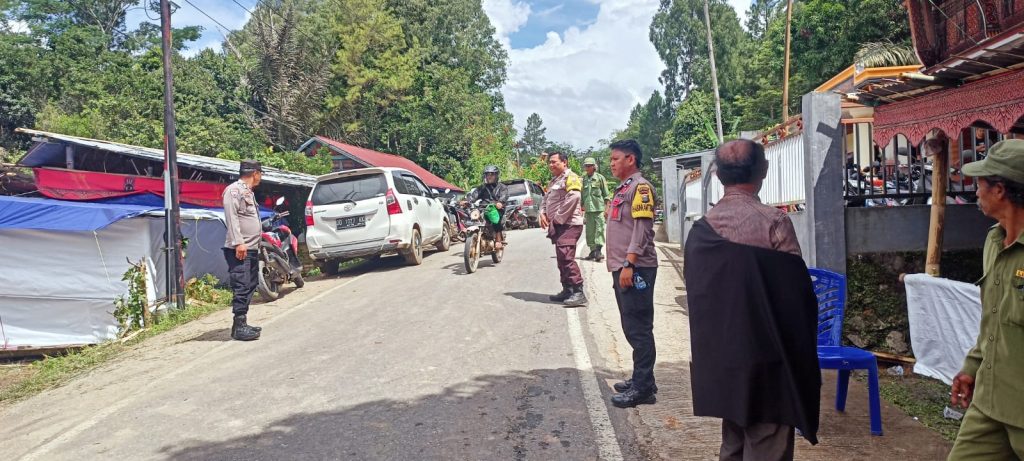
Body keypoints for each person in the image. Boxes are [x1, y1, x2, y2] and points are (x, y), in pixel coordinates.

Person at [684, 139, 820, 460]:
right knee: (767, 440)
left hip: (722, 358)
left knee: (733, 438)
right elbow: (796, 297)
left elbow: (700, 294)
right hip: (767, 359)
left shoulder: (701, 231)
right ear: (764, 171)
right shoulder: (774, 222)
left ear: (718, 175)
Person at [948, 139, 1024, 460]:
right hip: (989, 404)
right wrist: (973, 366)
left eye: (979, 182)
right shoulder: (994, 241)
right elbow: (993, 320)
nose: (975, 190)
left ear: (1000, 190)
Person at [604, 139, 660, 408]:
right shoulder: (624, 188)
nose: (611, 164)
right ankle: (643, 379)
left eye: (615, 159)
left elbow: (642, 228)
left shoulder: (641, 187)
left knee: (639, 329)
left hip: (635, 268)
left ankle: (643, 388)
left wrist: (629, 263)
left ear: (631, 159)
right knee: (631, 326)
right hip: (624, 266)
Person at [222, 159, 264, 341]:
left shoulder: (248, 192)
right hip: (240, 249)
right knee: (241, 285)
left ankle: (241, 324)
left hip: (251, 248)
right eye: (260, 174)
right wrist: (238, 242)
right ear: (255, 173)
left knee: (251, 284)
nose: (260, 178)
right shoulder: (233, 190)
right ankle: (239, 326)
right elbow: (231, 217)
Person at [540, 152, 587, 307]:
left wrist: (558, 218)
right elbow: (546, 199)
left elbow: (574, 197)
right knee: (561, 258)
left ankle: (578, 291)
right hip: (560, 224)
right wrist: (542, 212)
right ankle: (567, 289)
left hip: (569, 224)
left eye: (554, 162)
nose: (551, 165)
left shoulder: (571, 177)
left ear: (564, 162)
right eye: (550, 162)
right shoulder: (554, 180)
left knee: (566, 257)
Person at [462, 165, 509, 249]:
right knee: (473, 215)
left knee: (494, 216)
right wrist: (466, 201)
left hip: (497, 208)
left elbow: (504, 196)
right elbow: (474, 196)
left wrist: (500, 202)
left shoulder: (502, 187)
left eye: (491, 174)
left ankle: (498, 239)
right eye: (487, 174)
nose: (489, 177)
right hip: (483, 208)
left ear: (496, 175)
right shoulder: (482, 188)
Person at [581, 157, 611, 262]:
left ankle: (598, 251)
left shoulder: (600, 178)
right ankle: (592, 252)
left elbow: (606, 195)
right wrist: (581, 207)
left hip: (599, 210)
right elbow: (582, 195)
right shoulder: (583, 179)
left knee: (600, 230)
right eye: (586, 166)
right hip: (588, 211)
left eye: (589, 166)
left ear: (594, 167)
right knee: (589, 232)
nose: (587, 168)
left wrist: (607, 209)